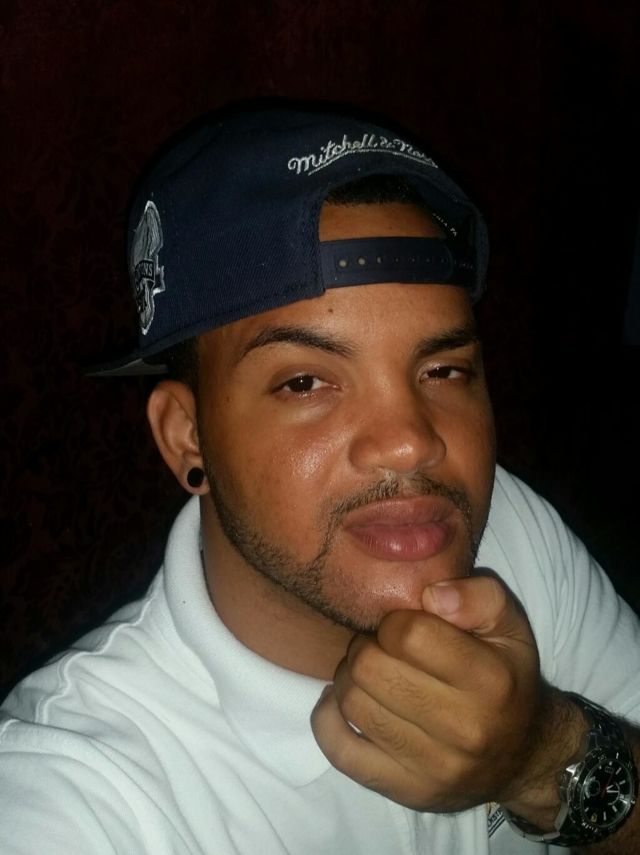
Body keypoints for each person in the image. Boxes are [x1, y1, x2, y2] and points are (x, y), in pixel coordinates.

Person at [1, 101, 639, 855]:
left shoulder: (512, 535)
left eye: (444, 369)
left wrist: (541, 757)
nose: (411, 444)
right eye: (305, 382)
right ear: (187, 436)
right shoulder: (76, 792)